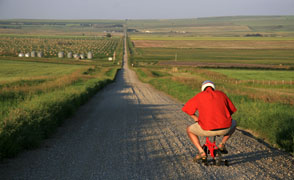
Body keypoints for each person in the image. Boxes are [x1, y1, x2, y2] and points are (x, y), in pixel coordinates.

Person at [182, 80, 237, 161]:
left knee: (189, 130)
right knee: (234, 123)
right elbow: (231, 110)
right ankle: (222, 144)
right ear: (213, 87)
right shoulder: (222, 94)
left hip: (206, 129)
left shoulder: (199, 96)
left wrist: (195, 118)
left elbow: (186, 109)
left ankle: (201, 152)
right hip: (225, 129)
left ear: (202, 88)